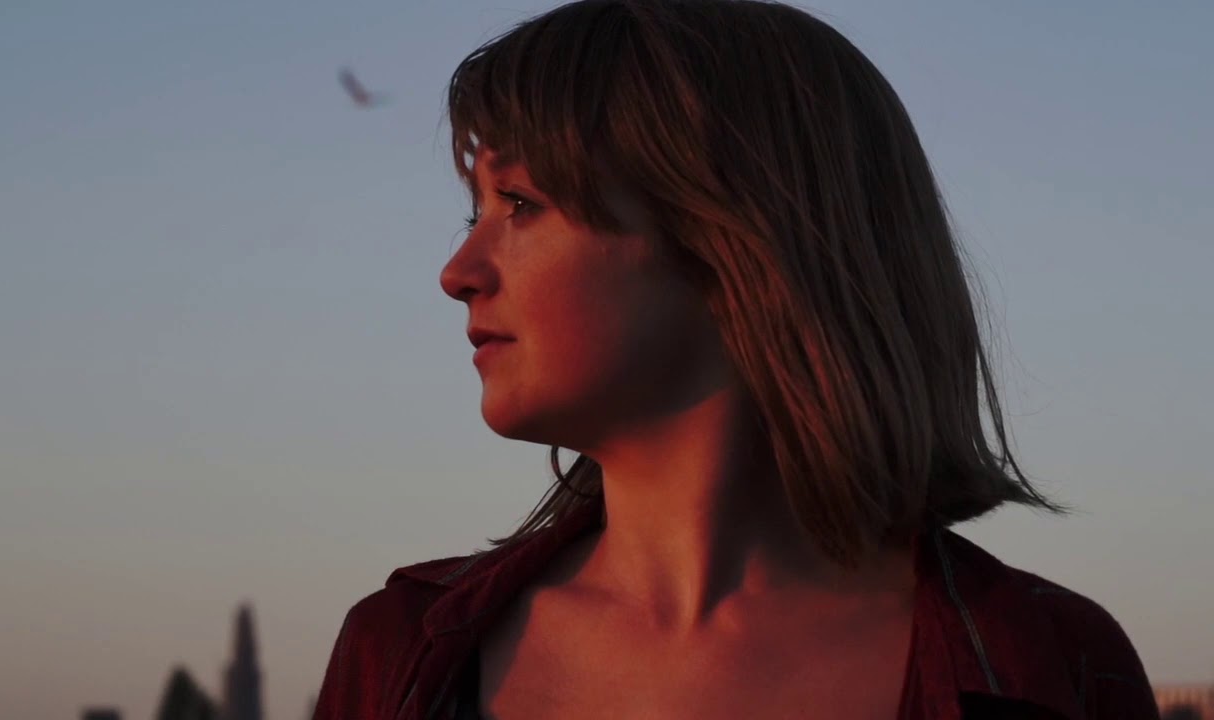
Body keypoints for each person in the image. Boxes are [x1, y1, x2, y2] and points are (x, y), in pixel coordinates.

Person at [312, 1, 1160, 718]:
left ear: (735, 237)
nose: (457, 273)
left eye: (521, 204)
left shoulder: (1047, 667)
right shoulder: (398, 655)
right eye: (475, 215)